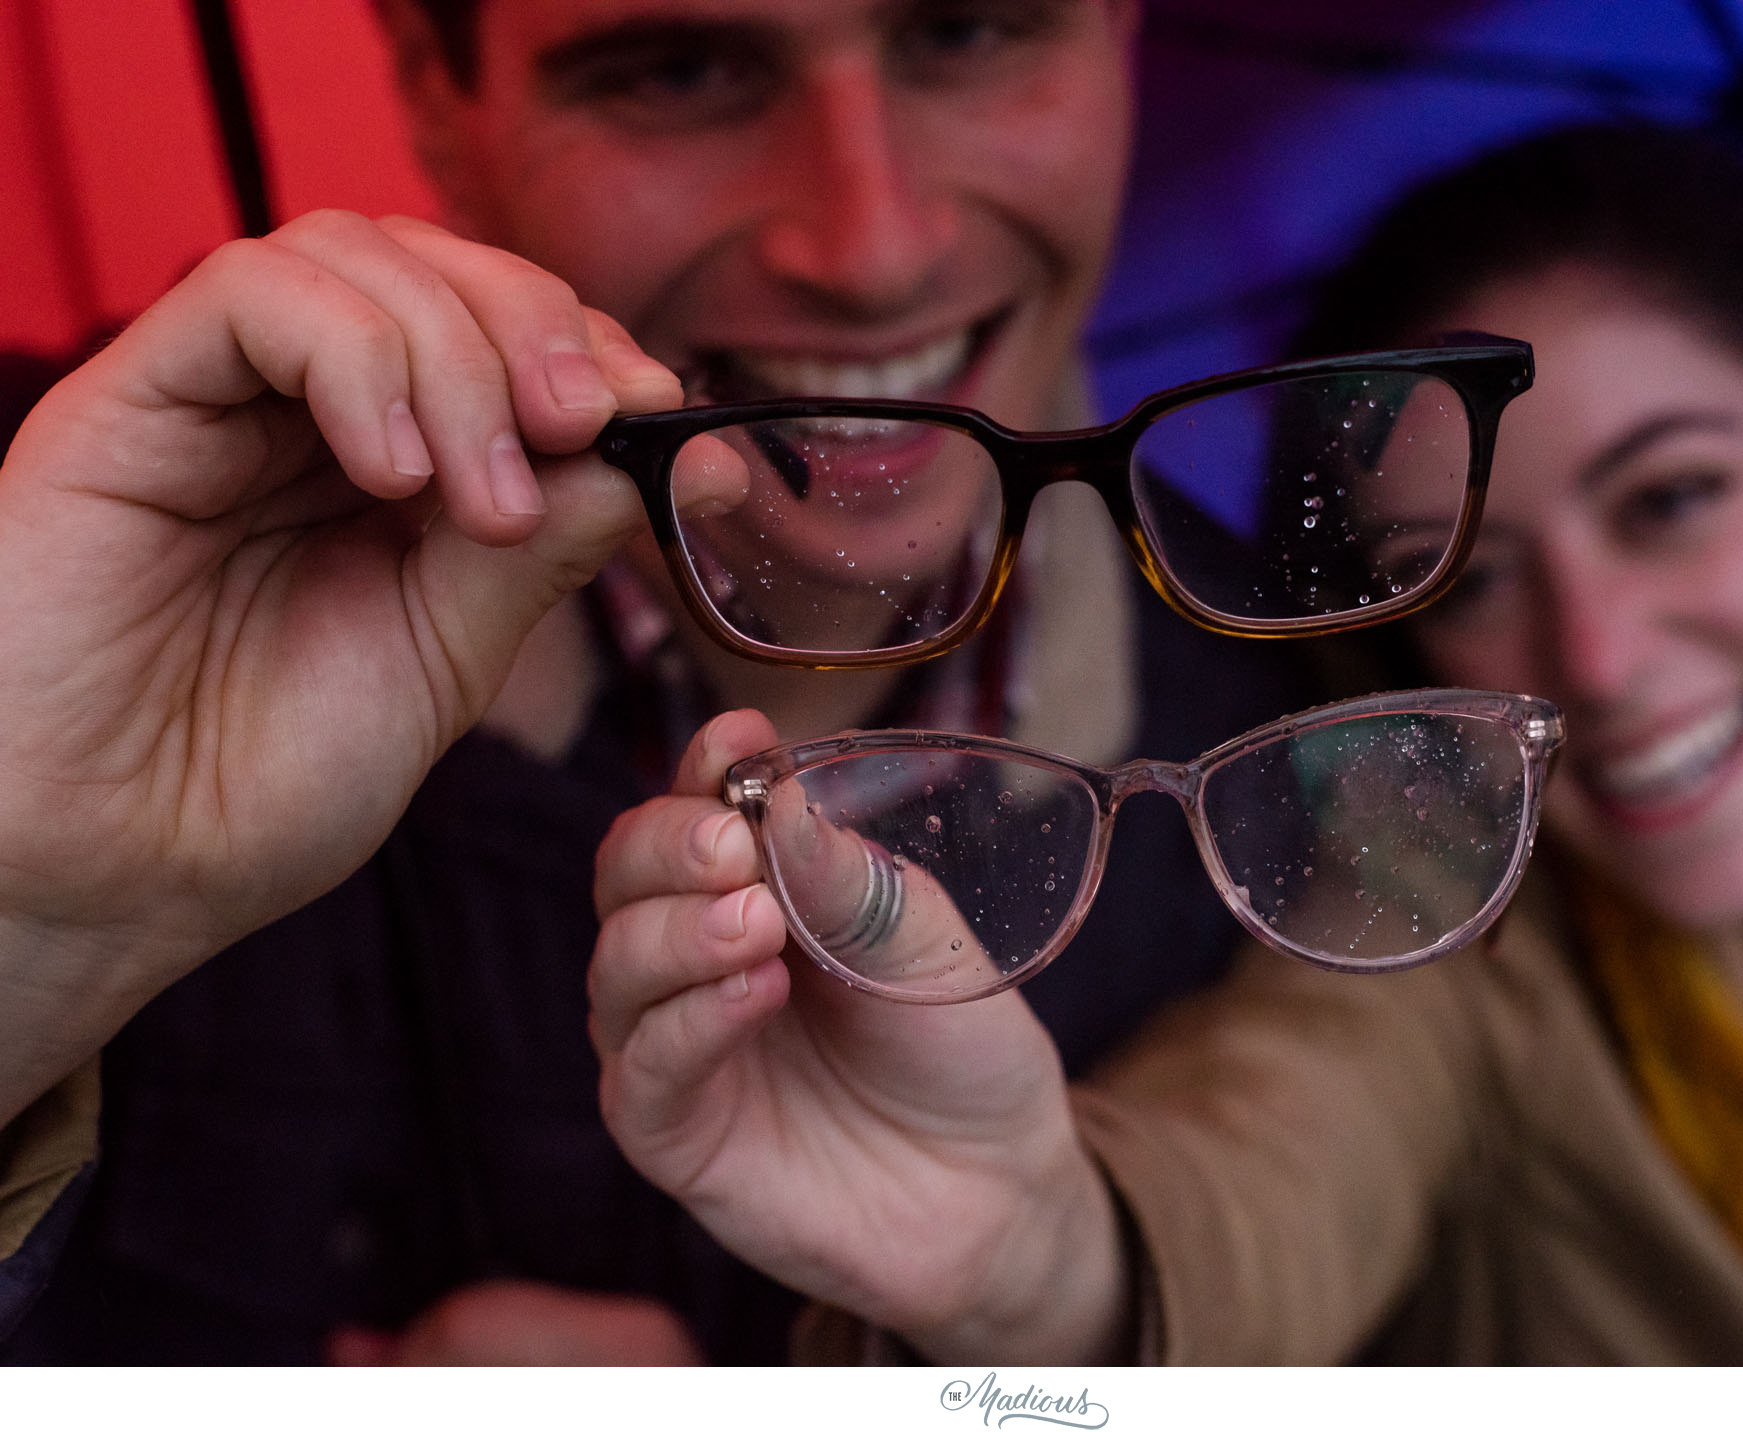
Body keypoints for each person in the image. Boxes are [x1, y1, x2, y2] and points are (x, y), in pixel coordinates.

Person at [587, 122, 1743, 1362]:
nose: (1597, 661)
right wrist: (1035, 1255)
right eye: (1467, 576)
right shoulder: (1440, 956)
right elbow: (1264, 1158)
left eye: (1670, 500)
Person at [0, 0, 1317, 1361]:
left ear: (1121, 31)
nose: (868, 249)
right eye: (682, 71)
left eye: (968, 32)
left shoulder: (1312, 735)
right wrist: (25, 935)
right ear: (436, 94)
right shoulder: (49, 559)